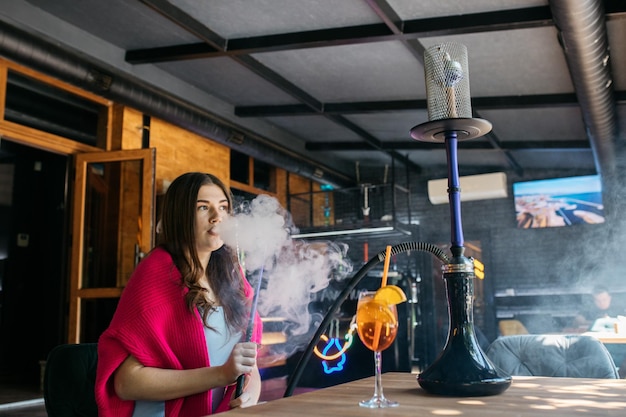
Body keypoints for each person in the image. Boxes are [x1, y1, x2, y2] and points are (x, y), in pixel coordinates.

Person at [95, 172, 263, 417]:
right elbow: (125, 383)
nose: (218, 217)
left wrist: (249, 397)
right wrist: (220, 375)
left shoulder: (233, 277)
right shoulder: (157, 273)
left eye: (223, 207)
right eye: (203, 207)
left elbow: (251, 365)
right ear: (180, 215)